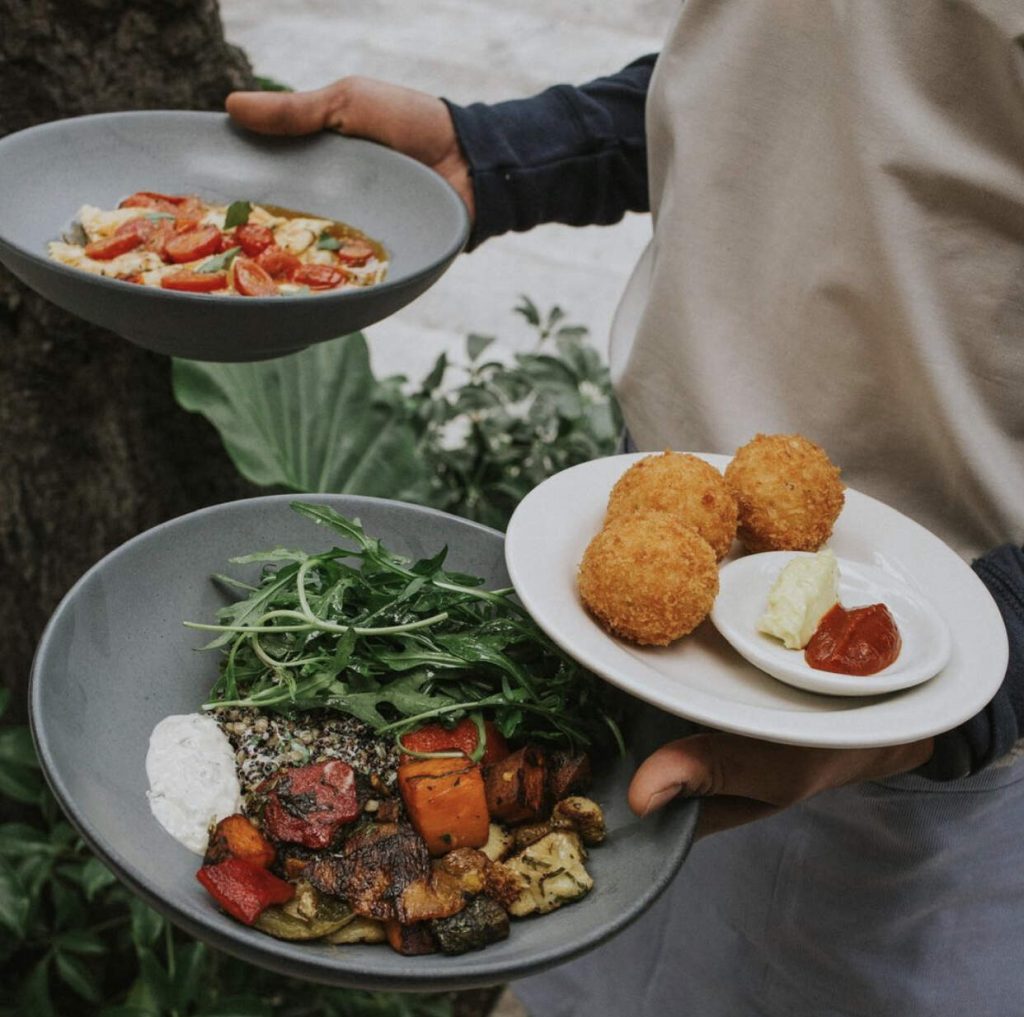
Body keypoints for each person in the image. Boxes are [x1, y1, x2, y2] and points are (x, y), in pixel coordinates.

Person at [227, 2, 1024, 1013]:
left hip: (923, 733)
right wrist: (503, 154)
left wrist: (975, 680)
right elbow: (796, 78)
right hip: (631, 635)